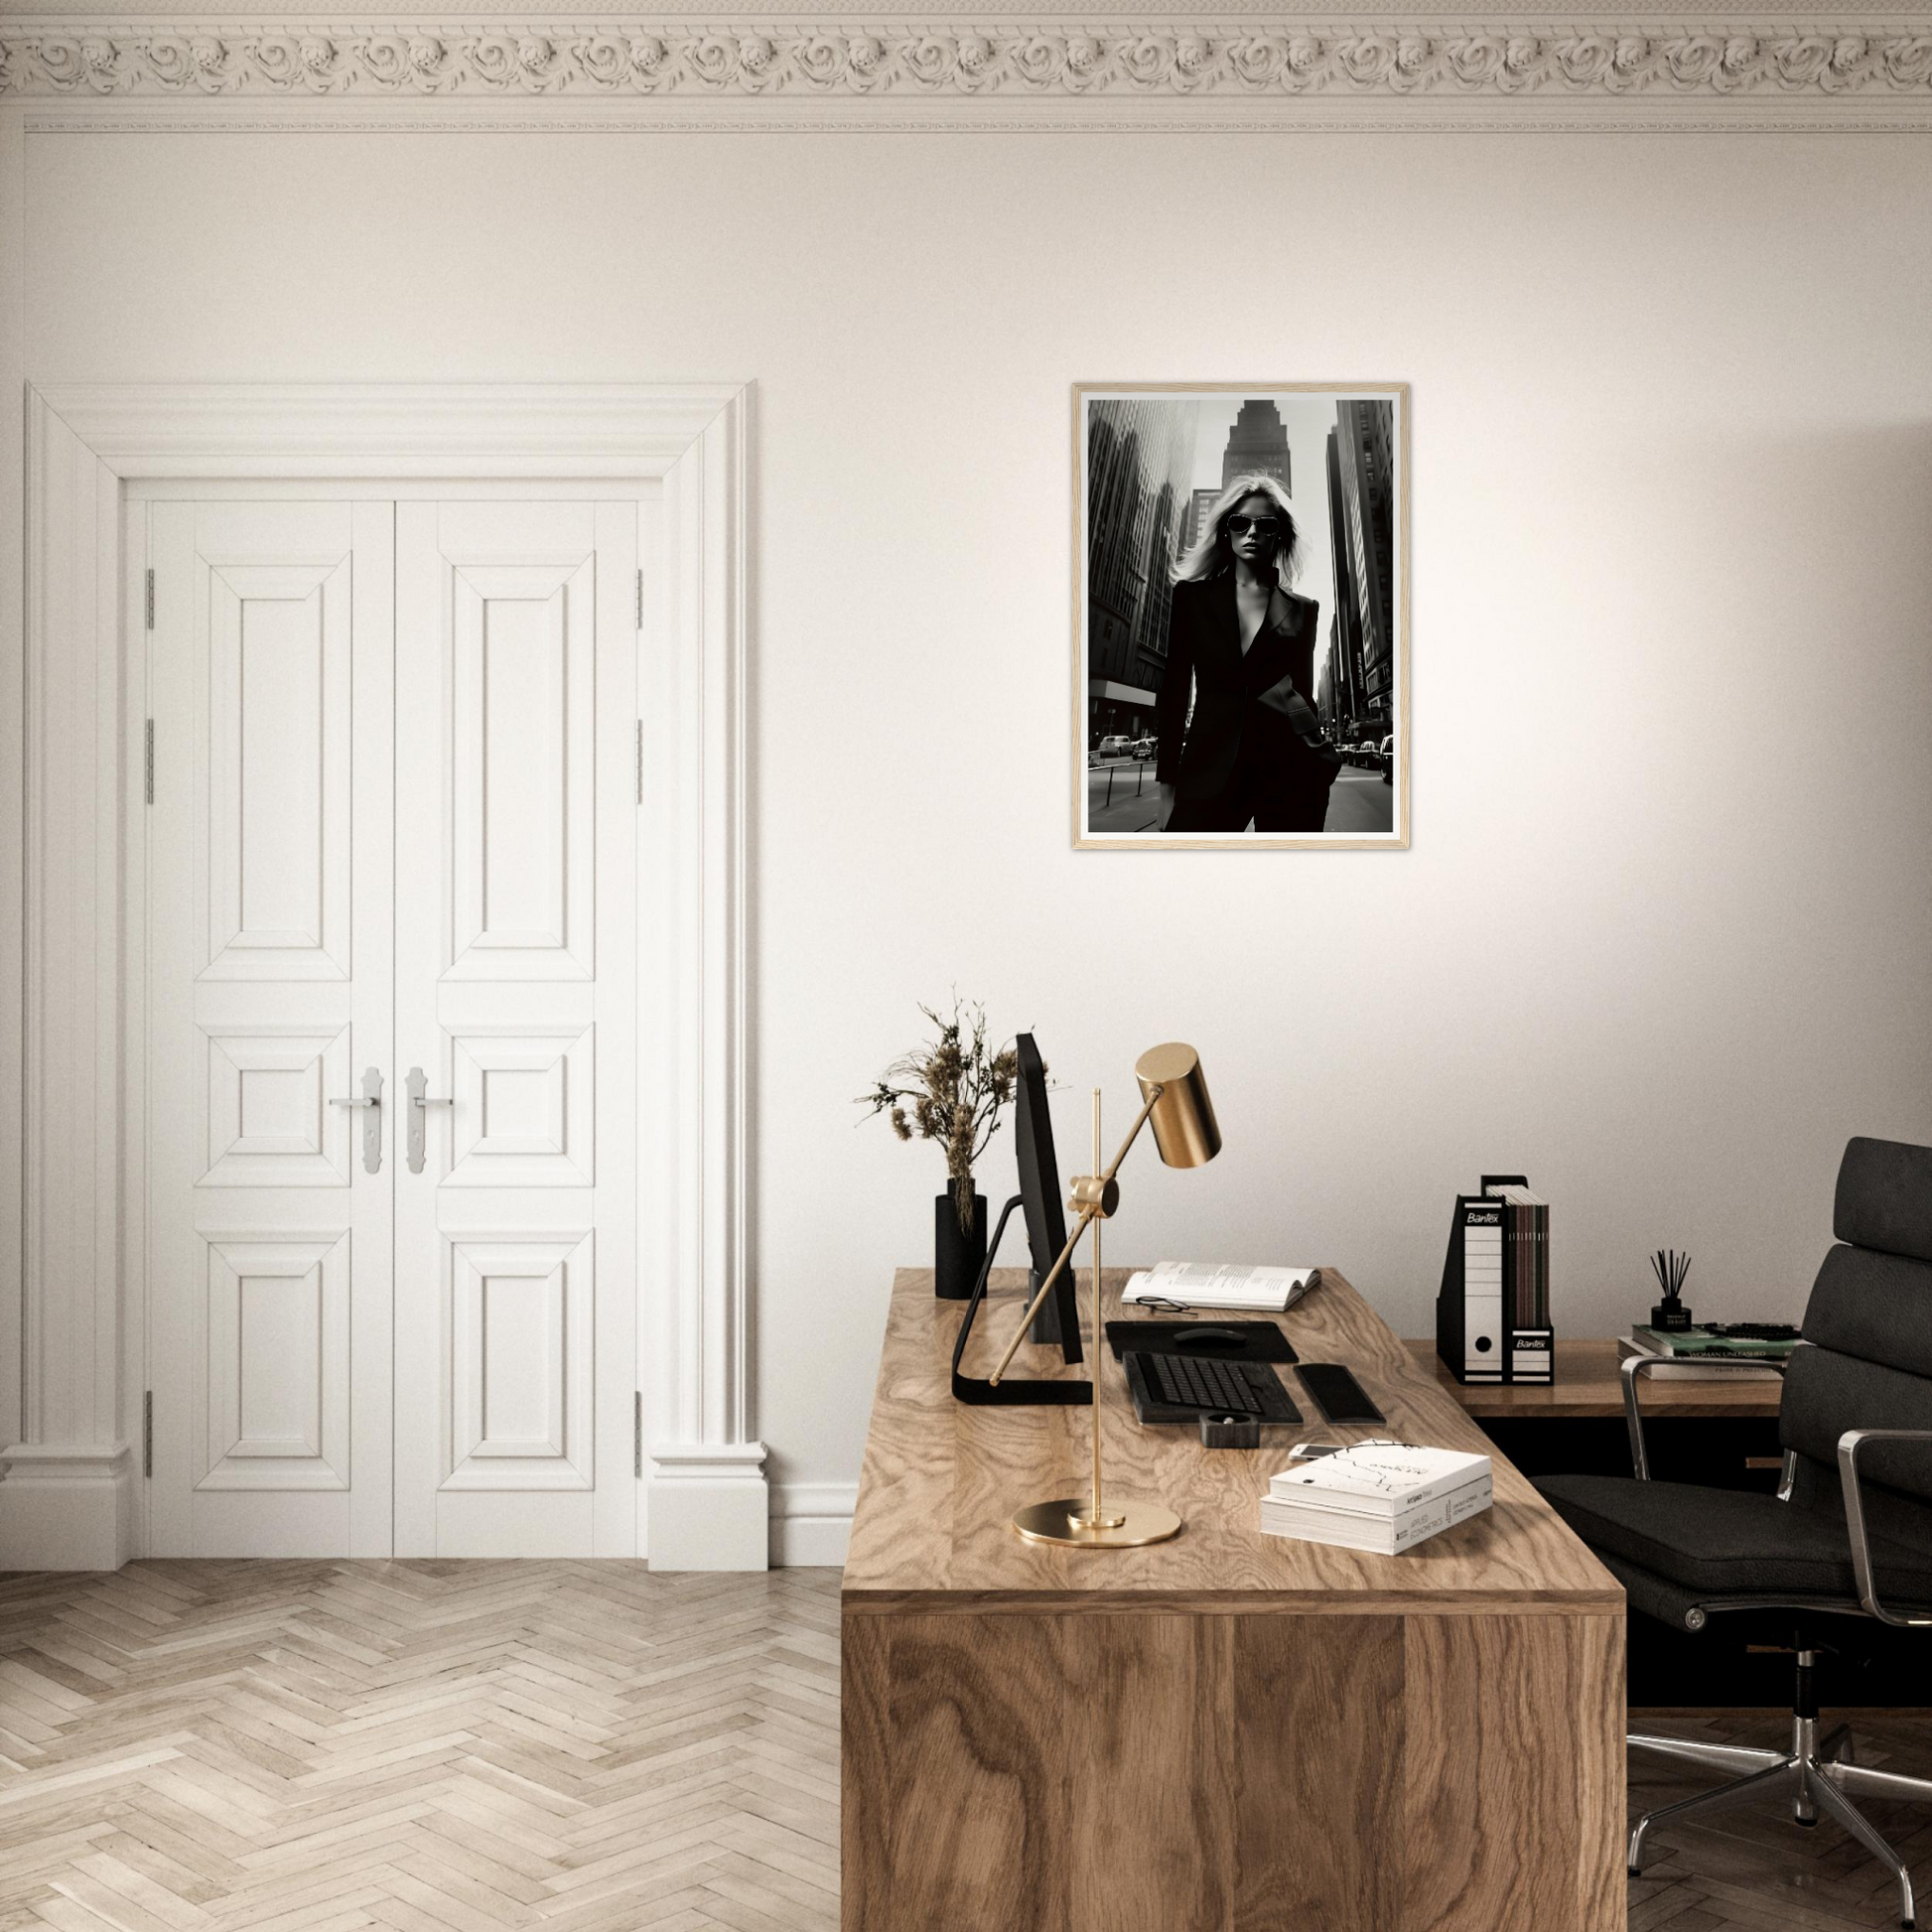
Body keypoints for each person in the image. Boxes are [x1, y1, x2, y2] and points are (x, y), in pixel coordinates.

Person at [1154, 474, 1341, 835]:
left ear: (1280, 533)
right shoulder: (1192, 598)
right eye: (1241, 523)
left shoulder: (1305, 609)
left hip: (1291, 771)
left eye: (1265, 524)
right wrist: (1167, 786)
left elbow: (1302, 693)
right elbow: (1175, 689)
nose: (1252, 532)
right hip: (1210, 771)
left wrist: (1320, 761)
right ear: (1227, 530)